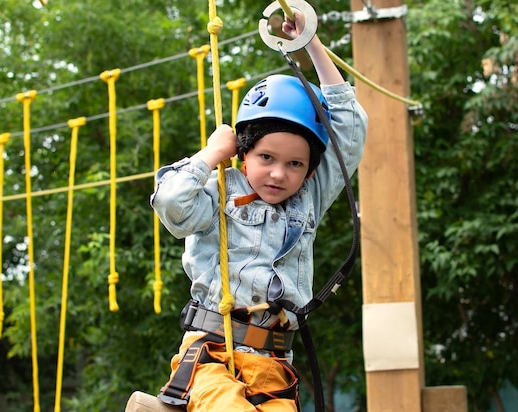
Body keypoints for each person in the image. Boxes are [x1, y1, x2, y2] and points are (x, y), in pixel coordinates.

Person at [149, 9, 368, 412]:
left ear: (310, 170)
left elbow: (350, 131)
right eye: (266, 157)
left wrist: (310, 45)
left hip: (275, 368)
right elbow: (171, 205)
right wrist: (211, 154)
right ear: (244, 152)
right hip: (213, 355)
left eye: (295, 164)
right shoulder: (219, 191)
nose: (279, 174)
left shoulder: (308, 200)